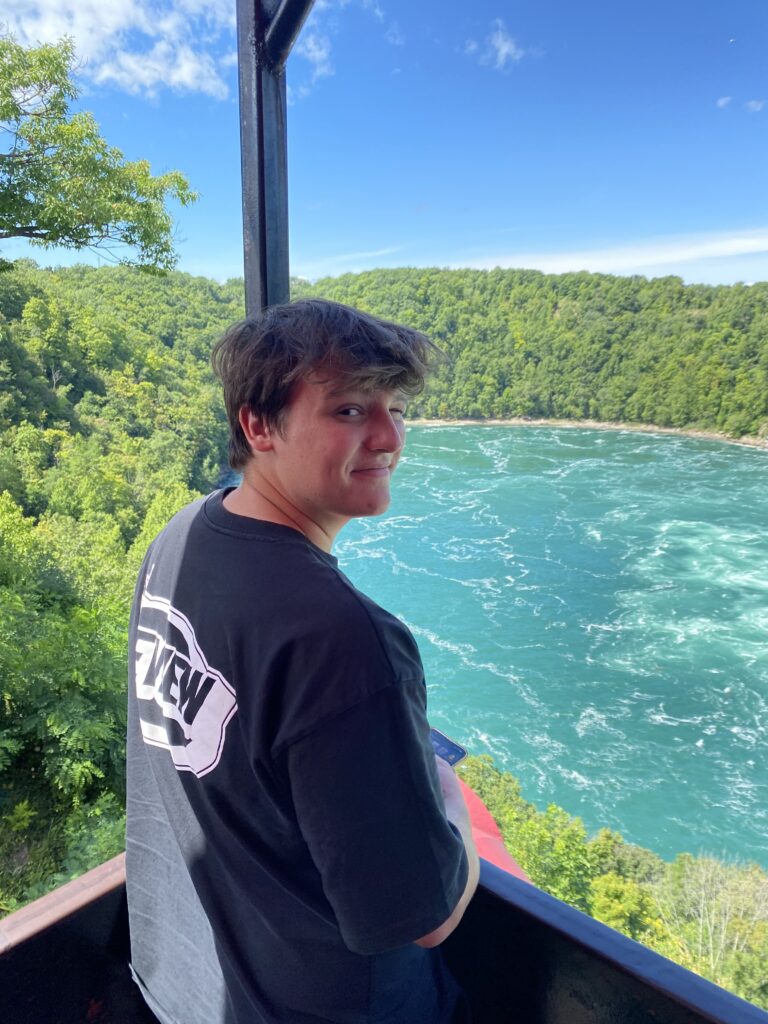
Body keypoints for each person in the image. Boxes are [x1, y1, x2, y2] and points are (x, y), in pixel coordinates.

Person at [125, 298, 479, 1024]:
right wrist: (450, 797)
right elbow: (427, 917)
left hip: (188, 983)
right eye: (349, 410)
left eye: (397, 408)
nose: (390, 437)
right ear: (258, 426)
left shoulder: (182, 536)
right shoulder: (342, 638)